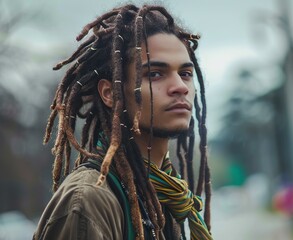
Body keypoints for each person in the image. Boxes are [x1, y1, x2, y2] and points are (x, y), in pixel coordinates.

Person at [33, 3, 212, 240]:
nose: (180, 87)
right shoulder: (89, 201)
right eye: (155, 74)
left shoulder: (166, 192)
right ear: (111, 93)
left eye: (185, 74)